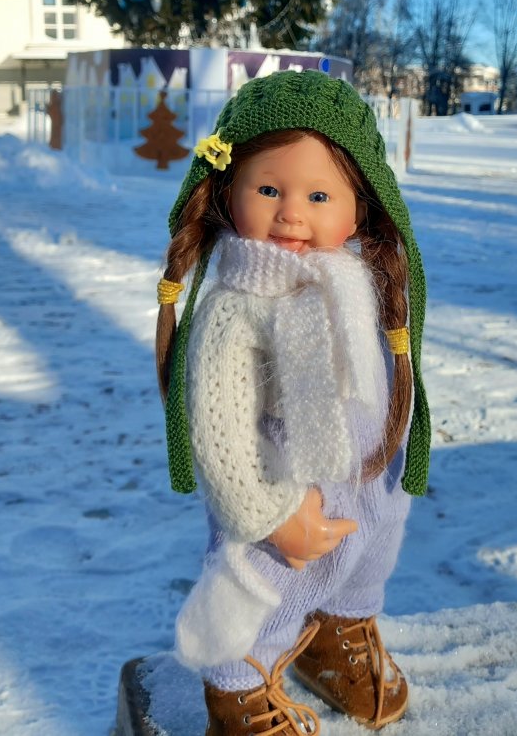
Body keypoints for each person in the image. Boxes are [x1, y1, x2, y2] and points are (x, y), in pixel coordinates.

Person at [155, 69, 430, 735]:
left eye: (318, 193)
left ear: (360, 203)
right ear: (227, 190)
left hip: (364, 480)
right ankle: (238, 690)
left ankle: (339, 630)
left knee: (372, 548)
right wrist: (270, 513)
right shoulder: (238, 305)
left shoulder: (357, 277)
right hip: (280, 500)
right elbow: (217, 430)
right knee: (263, 586)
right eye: (269, 188)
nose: (292, 214)